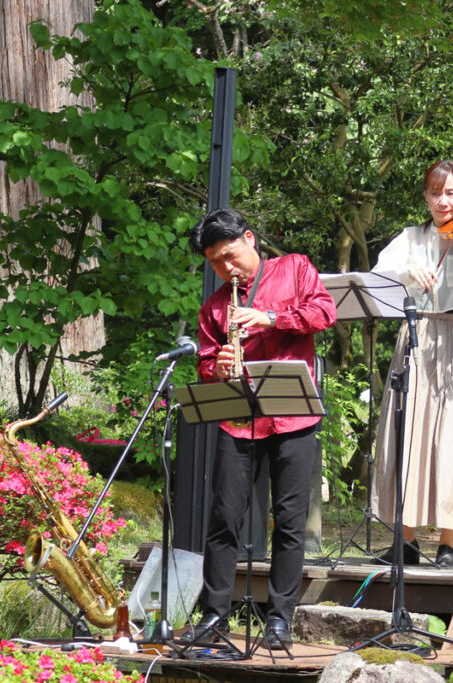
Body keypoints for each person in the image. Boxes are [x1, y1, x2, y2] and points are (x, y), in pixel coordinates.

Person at [185, 208, 337, 649]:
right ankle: (214, 615)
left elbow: (324, 313)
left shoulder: (295, 267)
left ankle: (279, 620)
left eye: (230, 255)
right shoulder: (215, 306)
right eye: (215, 262)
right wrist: (218, 365)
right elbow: (205, 360)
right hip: (239, 421)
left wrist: (270, 318)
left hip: (293, 416)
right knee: (223, 520)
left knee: (289, 523)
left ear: (249, 239)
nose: (226, 268)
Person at [370, 159, 453, 568]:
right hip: (416, 337)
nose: (442, 201)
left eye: (451, 192)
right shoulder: (411, 238)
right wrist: (408, 272)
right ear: (425, 196)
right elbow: (378, 278)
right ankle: (405, 541)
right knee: (409, 431)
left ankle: (448, 543)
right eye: (435, 192)